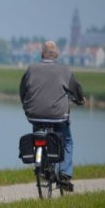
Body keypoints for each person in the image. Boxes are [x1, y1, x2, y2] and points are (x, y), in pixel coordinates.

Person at [19, 40, 85, 190]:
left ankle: (41, 165)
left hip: (34, 114)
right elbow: (76, 90)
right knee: (66, 140)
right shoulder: (65, 70)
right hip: (58, 115)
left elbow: (23, 90)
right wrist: (80, 100)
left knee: (38, 134)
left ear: (42, 54)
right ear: (57, 55)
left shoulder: (31, 69)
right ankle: (65, 175)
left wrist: (25, 104)